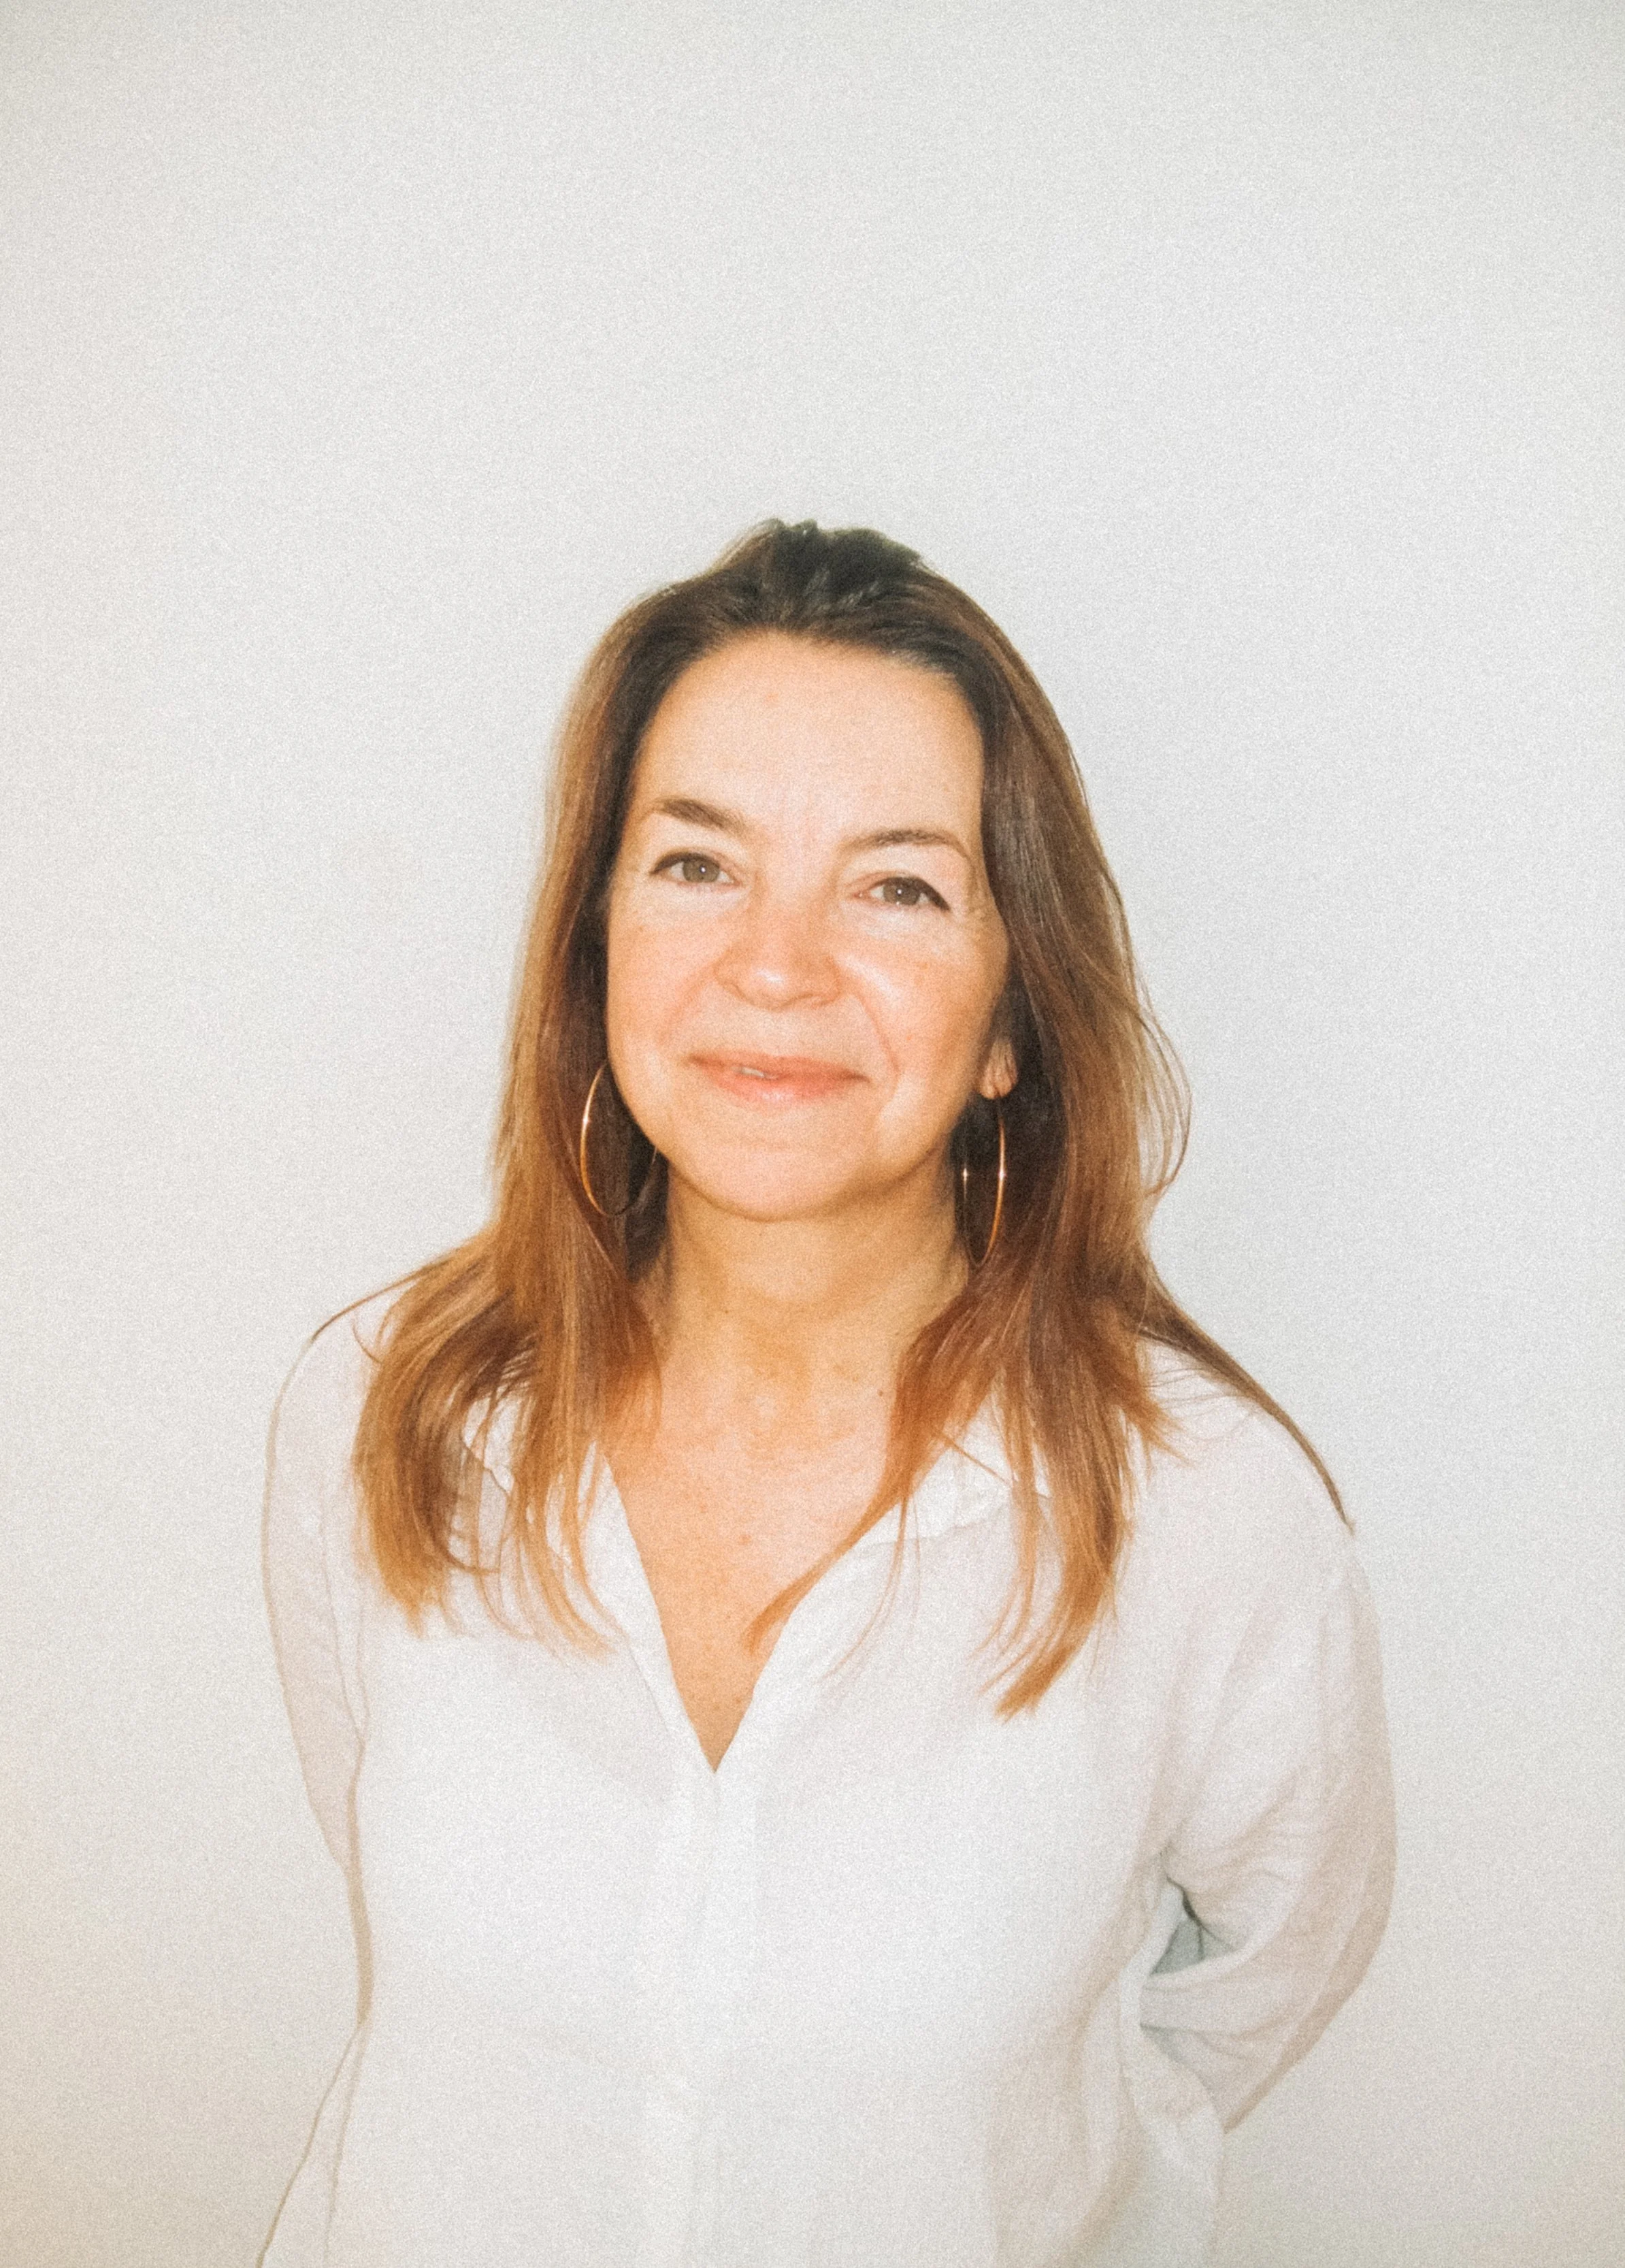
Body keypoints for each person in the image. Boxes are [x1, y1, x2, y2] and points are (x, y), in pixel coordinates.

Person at [261, 521, 1394, 2268]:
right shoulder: (382, 1420)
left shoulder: (1210, 1520)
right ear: (595, 951)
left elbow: (1247, 1988)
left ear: (1010, 1020)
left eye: (896, 886)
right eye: (696, 863)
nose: (775, 965)